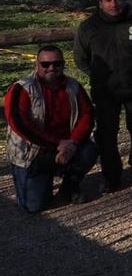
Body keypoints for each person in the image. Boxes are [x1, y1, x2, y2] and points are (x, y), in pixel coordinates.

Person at [75, 0, 132, 191]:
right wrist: (98, 76)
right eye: (108, 0)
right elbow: (80, 58)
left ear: (124, 0)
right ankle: (112, 176)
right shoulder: (88, 27)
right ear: (100, 3)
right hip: (106, 91)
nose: (113, 4)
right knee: (106, 134)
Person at [5, 45, 97, 211]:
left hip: (65, 146)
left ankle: (68, 187)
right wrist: (57, 144)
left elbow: (87, 115)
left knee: (89, 150)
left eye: (56, 64)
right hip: (33, 152)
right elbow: (19, 123)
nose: (51, 68)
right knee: (34, 207)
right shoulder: (22, 88)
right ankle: (44, 179)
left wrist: (73, 143)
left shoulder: (73, 86)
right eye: (45, 64)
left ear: (63, 65)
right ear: (37, 65)